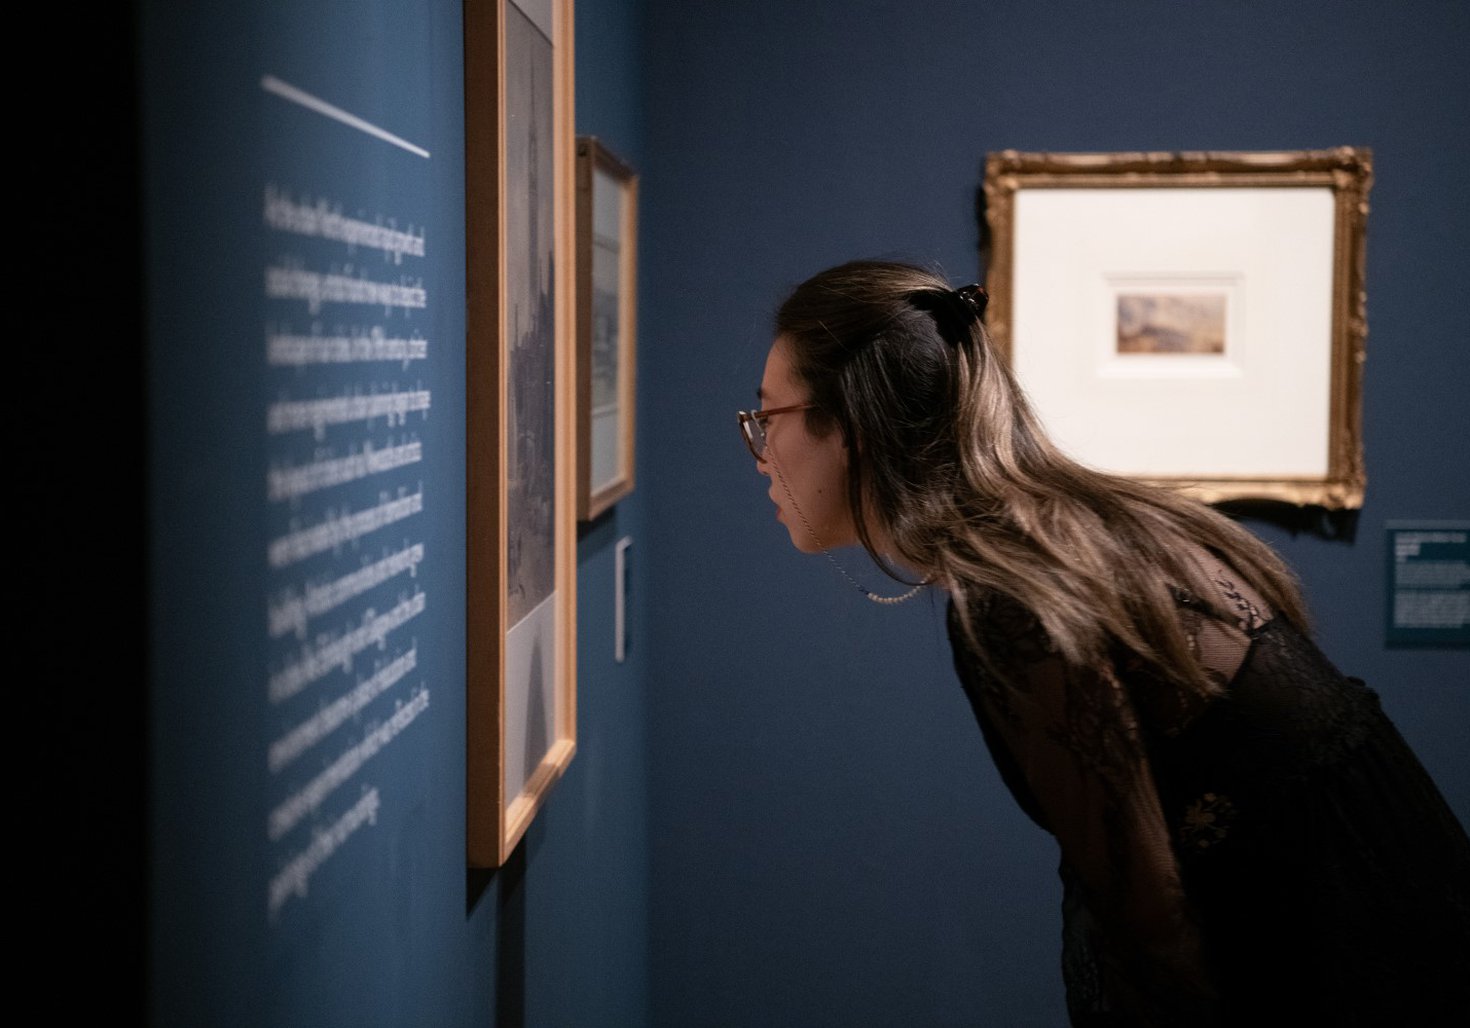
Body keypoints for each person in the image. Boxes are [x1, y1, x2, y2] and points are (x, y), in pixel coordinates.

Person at [737, 259, 1470, 1025]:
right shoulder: (1085, 526)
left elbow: (1149, 930)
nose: (759, 456)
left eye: (767, 418)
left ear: (850, 430)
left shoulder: (1014, 597)